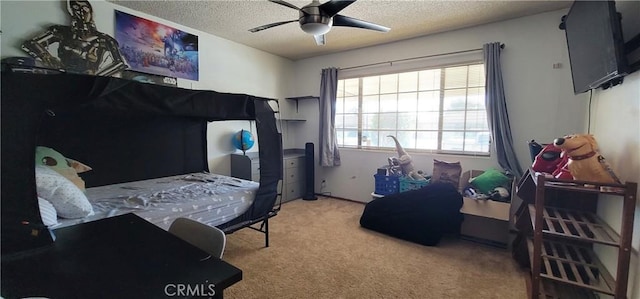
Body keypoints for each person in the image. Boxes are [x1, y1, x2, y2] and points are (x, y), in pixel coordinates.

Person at [21, 0, 126, 76]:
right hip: (63, 76)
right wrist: (48, 58)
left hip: (90, 81)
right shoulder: (62, 32)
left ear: (90, 11)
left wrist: (97, 76)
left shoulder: (104, 39)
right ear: (71, 11)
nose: (80, 12)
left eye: (84, 9)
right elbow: (31, 43)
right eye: (76, 8)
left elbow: (119, 64)